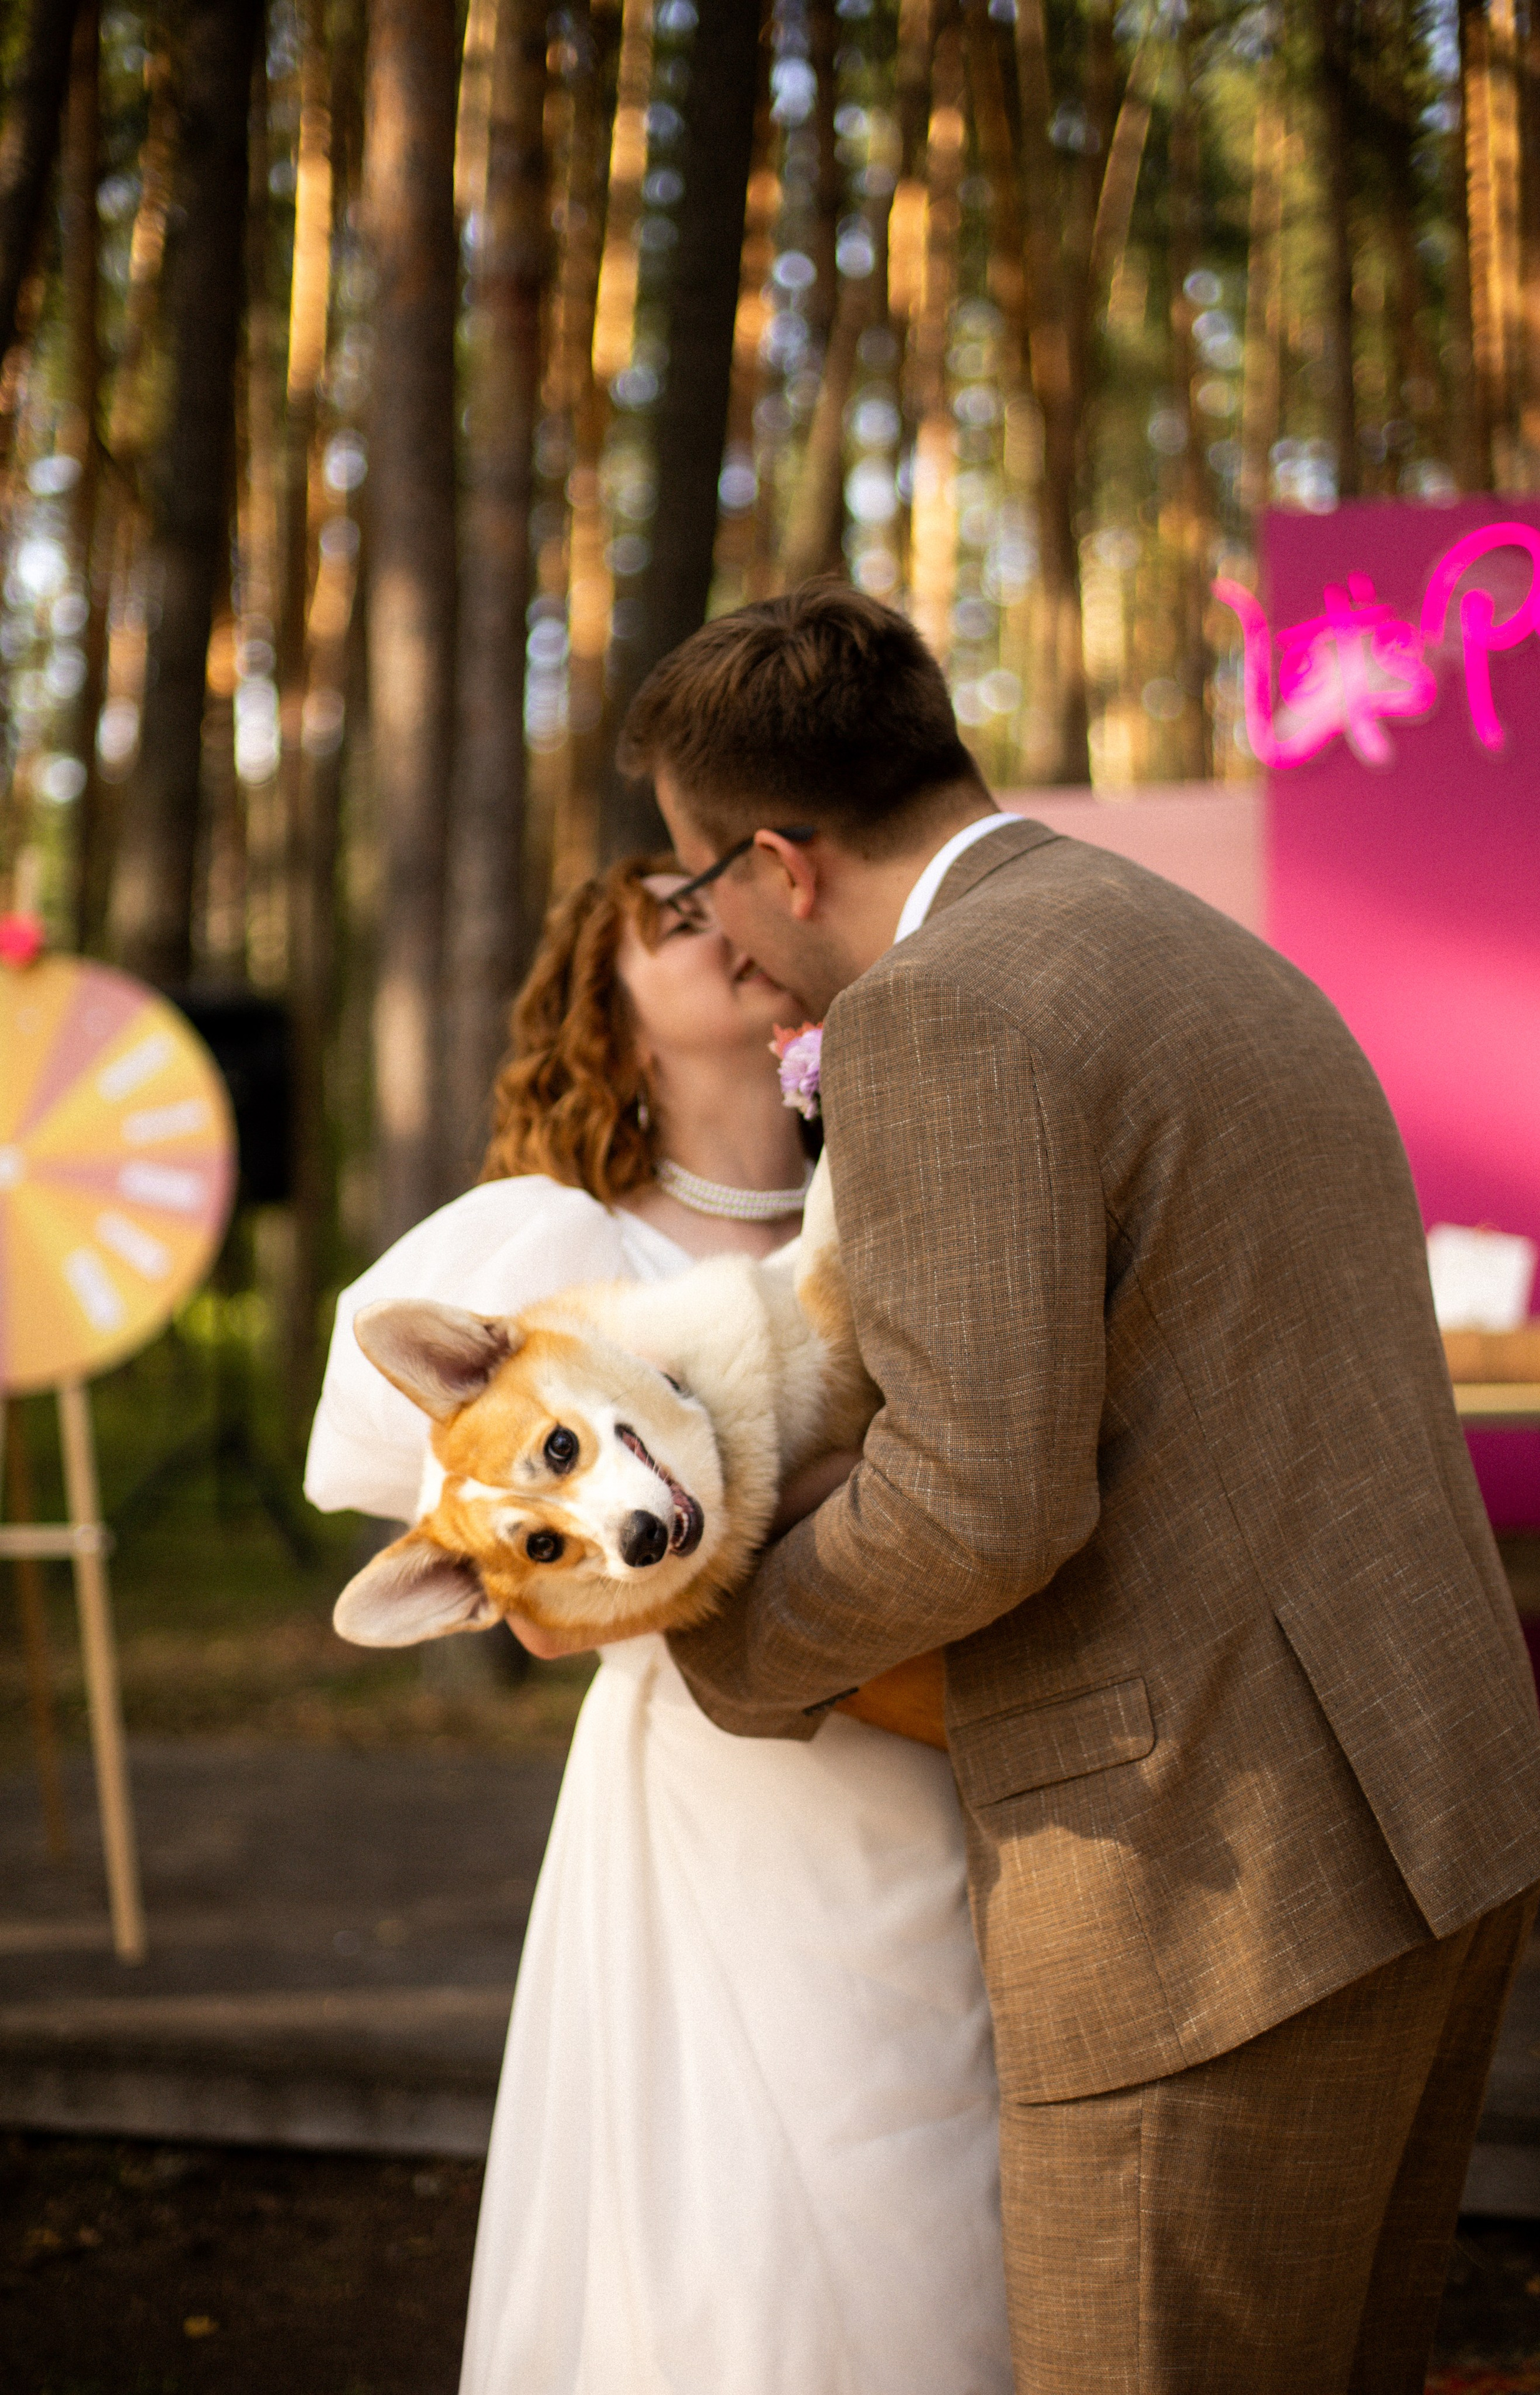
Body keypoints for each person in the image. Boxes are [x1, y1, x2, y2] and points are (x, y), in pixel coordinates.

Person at [606, 582, 1540, 2395]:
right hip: (1427, 1815)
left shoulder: (942, 1015)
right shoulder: (1175, 938)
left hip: (1214, 1880)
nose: (721, 936)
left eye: (702, 886)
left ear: (778, 860)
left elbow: (980, 1498)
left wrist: (719, 1639)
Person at [303, 856, 1014, 2395]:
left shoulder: (902, 1163)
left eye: (727, 903)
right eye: (673, 926)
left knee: (964, 2173)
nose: (723, 931)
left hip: (954, 1759)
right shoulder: (555, 1255)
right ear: (609, 1022)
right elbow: (400, 1468)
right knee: (763, 2203)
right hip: (720, 1801)